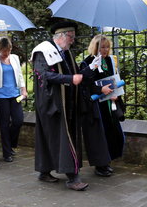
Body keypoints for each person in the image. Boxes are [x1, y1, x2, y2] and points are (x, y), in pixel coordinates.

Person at [31, 20, 100, 191]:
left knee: (53, 138)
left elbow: (77, 76)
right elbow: (44, 75)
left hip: (67, 103)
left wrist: (91, 68)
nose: (73, 40)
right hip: (51, 104)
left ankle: (44, 171)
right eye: (71, 37)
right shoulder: (43, 51)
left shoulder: (66, 53)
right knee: (61, 138)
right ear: (61, 36)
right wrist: (70, 79)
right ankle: (72, 177)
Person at [80, 35, 125, 177]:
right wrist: (100, 90)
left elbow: (114, 78)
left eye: (107, 47)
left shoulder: (110, 61)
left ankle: (108, 161)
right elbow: (85, 84)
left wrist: (116, 94)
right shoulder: (87, 63)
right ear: (95, 47)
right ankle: (100, 165)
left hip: (110, 102)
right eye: (102, 47)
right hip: (96, 105)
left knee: (112, 132)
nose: (105, 50)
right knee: (100, 135)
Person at [0, 38, 27, 162]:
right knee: (4, 123)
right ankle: (6, 153)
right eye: (4, 51)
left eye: (9, 50)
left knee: (18, 120)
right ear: (0, 49)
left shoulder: (15, 58)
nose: (7, 53)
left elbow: (20, 75)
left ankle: (10, 144)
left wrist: (23, 89)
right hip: (0, 96)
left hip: (15, 95)